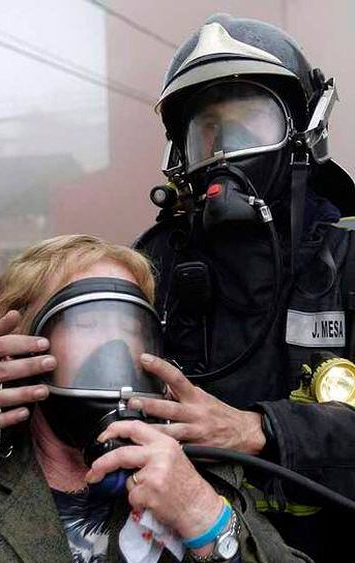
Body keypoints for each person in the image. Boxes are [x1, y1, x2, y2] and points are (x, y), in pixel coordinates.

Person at [0, 234, 314, 563]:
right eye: (87, 323)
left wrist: (204, 517)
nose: (115, 346)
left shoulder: (196, 470)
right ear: (18, 350)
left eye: (132, 326)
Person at [133, 13, 355, 563]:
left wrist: (262, 429)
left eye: (249, 123)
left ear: (304, 133)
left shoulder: (349, 256)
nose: (224, 151)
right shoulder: (150, 263)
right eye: (206, 130)